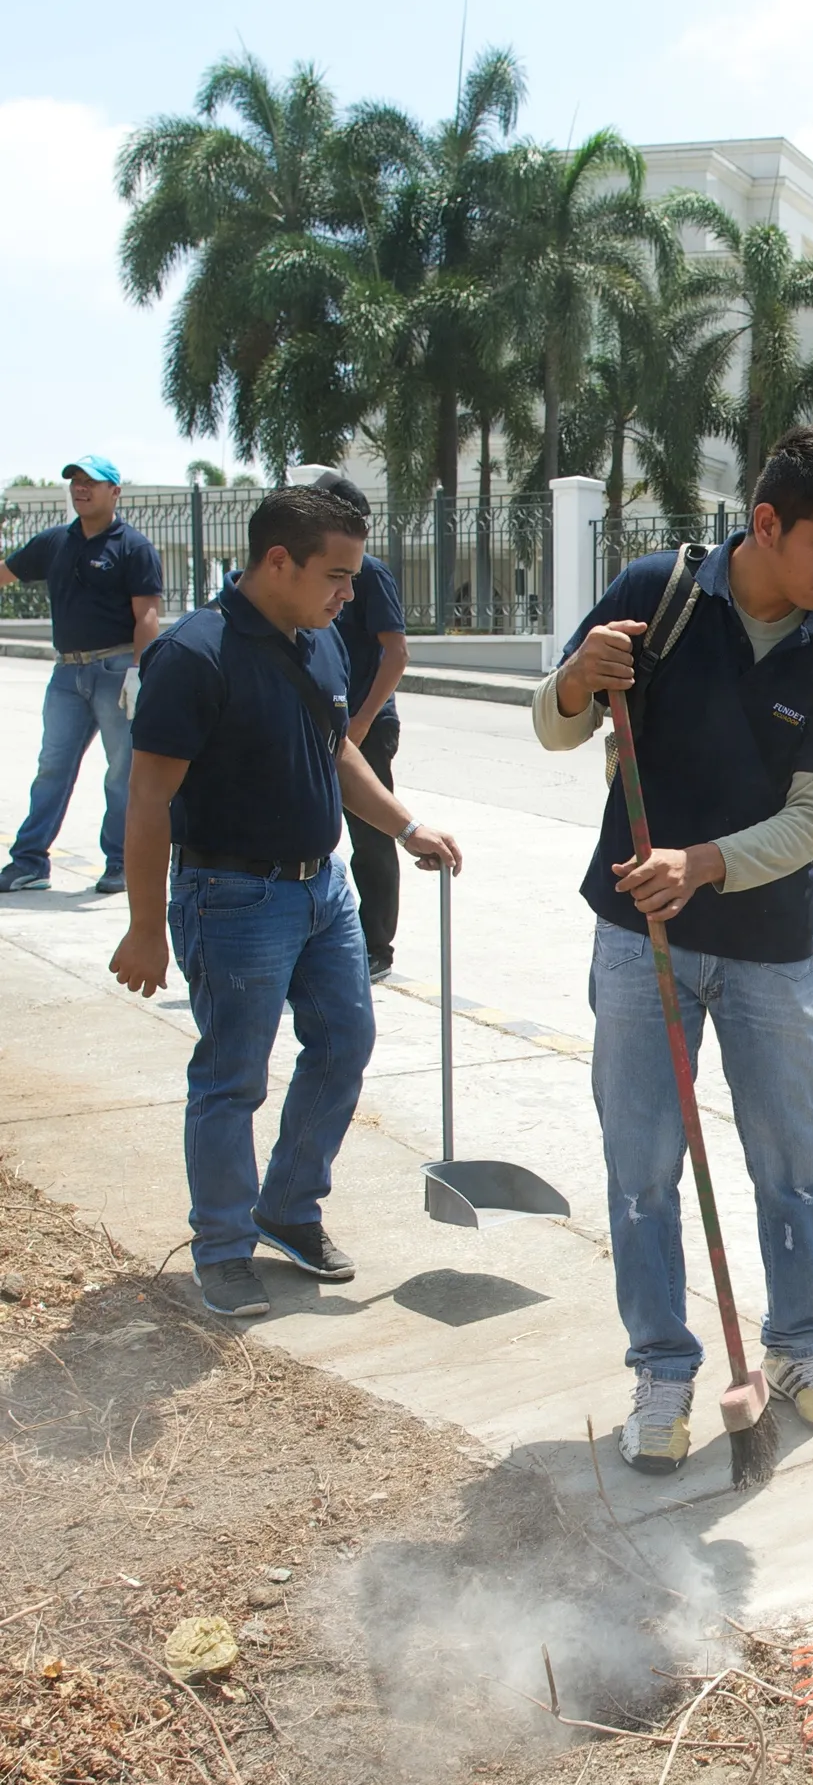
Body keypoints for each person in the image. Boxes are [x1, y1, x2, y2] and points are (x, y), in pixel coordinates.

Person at [532, 426, 813, 1470]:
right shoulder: (661, 594)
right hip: (640, 943)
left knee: (792, 1162)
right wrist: (573, 680)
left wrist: (703, 863)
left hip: (772, 947)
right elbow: (554, 731)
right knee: (642, 1167)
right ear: (764, 523)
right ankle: (663, 1370)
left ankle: (802, 1351)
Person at [110, 484, 460, 1320]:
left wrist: (406, 824)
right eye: (336, 575)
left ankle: (288, 1208)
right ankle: (224, 1248)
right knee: (232, 1078)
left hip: (323, 887)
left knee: (345, 1041)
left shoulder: (322, 641)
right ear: (278, 561)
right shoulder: (193, 657)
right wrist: (144, 926)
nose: (350, 593)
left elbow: (336, 748)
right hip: (231, 897)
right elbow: (149, 797)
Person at [0, 457, 164, 897]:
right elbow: (5, 573)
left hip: (114, 671)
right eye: (75, 481)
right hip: (66, 673)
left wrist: (138, 671)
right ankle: (29, 861)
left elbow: (147, 613)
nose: (80, 488)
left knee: (121, 773)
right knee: (51, 768)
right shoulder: (55, 542)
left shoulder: (133, 547)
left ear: (116, 492)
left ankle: (121, 862)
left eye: (92, 482)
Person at [292, 470, 410, 980]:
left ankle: (376, 947)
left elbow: (396, 653)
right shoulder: (301, 578)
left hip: (363, 727)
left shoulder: (369, 575)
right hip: (320, 726)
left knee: (373, 836)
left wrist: (360, 722)